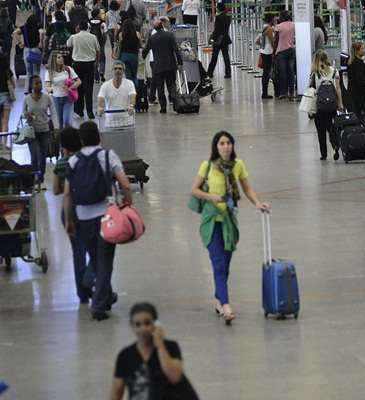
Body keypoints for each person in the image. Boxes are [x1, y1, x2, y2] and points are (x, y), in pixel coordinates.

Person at [190, 132, 270, 324]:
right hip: (211, 222)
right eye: (221, 143)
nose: (225, 146)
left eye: (228, 143)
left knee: (225, 266)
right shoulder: (207, 165)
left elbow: (246, 188)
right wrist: (211, 197)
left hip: (229, 221)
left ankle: (218, 300)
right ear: (215, 146)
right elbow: (194, 189)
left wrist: (258, 203)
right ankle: (226, 306)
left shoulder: (238, 165)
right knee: (218, 263)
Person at [64, 121, 133, 321]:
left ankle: (106, 295)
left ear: (81, 140)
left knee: (95, 259)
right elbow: (124, 182)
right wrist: (128, 200)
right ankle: (99, 305)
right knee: (105, 263)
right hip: (106, 216)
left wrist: (69, 220)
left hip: (83, 217)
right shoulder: (107, 155)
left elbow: (68, 194)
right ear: (99, 137)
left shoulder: (73, 161)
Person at [111, 302, 200, 400]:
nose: (143, 328)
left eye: (147, 323)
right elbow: (116, 394)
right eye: (138, 324)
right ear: (132, 326)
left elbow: (175, 377)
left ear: (156, 324)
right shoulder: (125, 356)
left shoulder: (170, 347)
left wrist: (160, 345)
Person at [52, 126, 93, 304]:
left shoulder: (61, 164)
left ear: (63, 146)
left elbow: (55, 190)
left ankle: (82, 294)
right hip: (88, 207)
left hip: (68, 210)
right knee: (96, 248)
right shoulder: (86, 159)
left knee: (78, 252)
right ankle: (89, 280)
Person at [142, 19, 183, 114]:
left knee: (160, 88)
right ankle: (176, 106)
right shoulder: (170, 35)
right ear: (162, 26)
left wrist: (142, 58)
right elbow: (176, 50)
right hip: (170, 65)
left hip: (158, 67)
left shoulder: (152, 38)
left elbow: (145, 50)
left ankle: (163, 108)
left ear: (155, 28)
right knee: (172, 86)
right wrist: (180, 63)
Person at [310, 51, 343, 160]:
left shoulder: (315, 73)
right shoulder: (334, 71)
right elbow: (338, 89)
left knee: (321, 131)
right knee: (332, 128)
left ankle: (323, 154)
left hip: (319, 106)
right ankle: (335, 146)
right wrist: (340, 103)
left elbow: (311, 90)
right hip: (332, 105)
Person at [23, 75, 54, 186]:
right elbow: (23, 114)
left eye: (40, 82)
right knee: (34, 155)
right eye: (36, 83)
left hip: (44, 130)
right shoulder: (27, 99)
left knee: (42, 155)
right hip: (31, 131)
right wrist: (27, 115)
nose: (39, 85)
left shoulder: (47, 98)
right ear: (31, 85)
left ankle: (41, 177)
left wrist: (54, 127)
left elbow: (53, 113)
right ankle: (34, 176)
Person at [67, 20, 101, 120]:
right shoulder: (93, 37)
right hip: (90, 64)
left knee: (78, 88)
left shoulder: (74, 37)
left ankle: (79, 111)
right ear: (87, 27)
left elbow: (68, 45)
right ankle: (90, 112)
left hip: (77, 65)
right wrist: (97, 63)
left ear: (79, 27)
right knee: (89, 88)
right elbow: (98, 51)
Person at [47, 51, 81, 128]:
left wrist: (70, 88)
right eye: (58, 57)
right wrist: (52, 89)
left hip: (68, 98)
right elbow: (47, 87)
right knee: (59, 122)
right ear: (53, 59)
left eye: (61, 57)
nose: (61, 59)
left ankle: (68, 137)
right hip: (56, 99)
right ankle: (61, 137)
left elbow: (78, 81)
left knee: (67, 120)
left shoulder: (68, 69)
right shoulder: (49, 72)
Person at [14, 14, 44, 94]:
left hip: (27, 51)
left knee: (28, 72)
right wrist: (41, 42)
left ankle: (27, 89)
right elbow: (42, 33)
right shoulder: (37, 28)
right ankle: (37, 88)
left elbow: (15, 33)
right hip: (36, 50)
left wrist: (20, 42)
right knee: (36, 72)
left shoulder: (24, 28)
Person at [273, 11, 295, 100]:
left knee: (282, 73)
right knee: (291, 72)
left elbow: (276, 40)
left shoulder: (279, 27)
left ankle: (283, 92)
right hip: (291, 50)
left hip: (281, 51)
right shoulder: (293, 25)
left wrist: (274, 53)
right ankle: (291, 92)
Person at [207, 2, 232, 79]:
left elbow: (217, 30)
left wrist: (211, 38)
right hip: (225, 38)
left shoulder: (218, 17)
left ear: (219, 8)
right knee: (226, 56)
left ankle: (210, 73)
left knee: (214, 57)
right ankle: (228, 73)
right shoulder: (228, 17)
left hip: (218, 40)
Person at [258, 13, 275, 99]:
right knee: (266, 73)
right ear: (271, 20)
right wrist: (274, 51)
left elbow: (257, 41)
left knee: (265, 73)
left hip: (263, 52)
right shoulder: (270, 29)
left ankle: (264, 92)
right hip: (268, 53)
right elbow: (272, 42)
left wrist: (263, 45)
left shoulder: (264, 27)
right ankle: (264, 93)